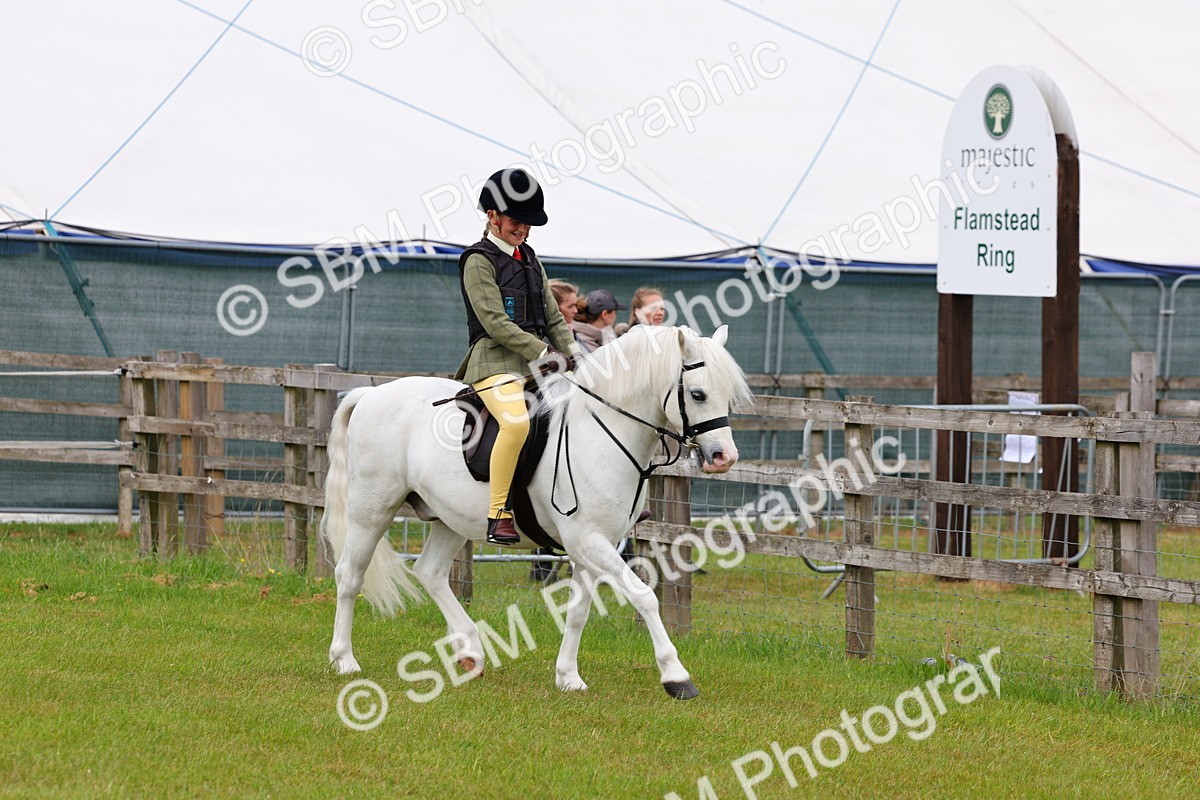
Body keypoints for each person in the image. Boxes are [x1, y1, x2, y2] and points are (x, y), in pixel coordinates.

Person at [454, 167, 580, 546]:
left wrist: (574, 356)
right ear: (492, 216)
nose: (523, 229)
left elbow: (553, 315)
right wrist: (544, 352)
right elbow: (493, 321)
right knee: (516, 423)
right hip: (494, 362)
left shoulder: (530, 257)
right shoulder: (478, 260)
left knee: (588, 408)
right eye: (516, 221)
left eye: (528, 224)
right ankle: (498, 513)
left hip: (538, 362)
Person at [571, 289, 626, 353]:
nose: (615, 316)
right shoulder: (581, 344)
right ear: (604, 314)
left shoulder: (579, 335)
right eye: (615, 312)